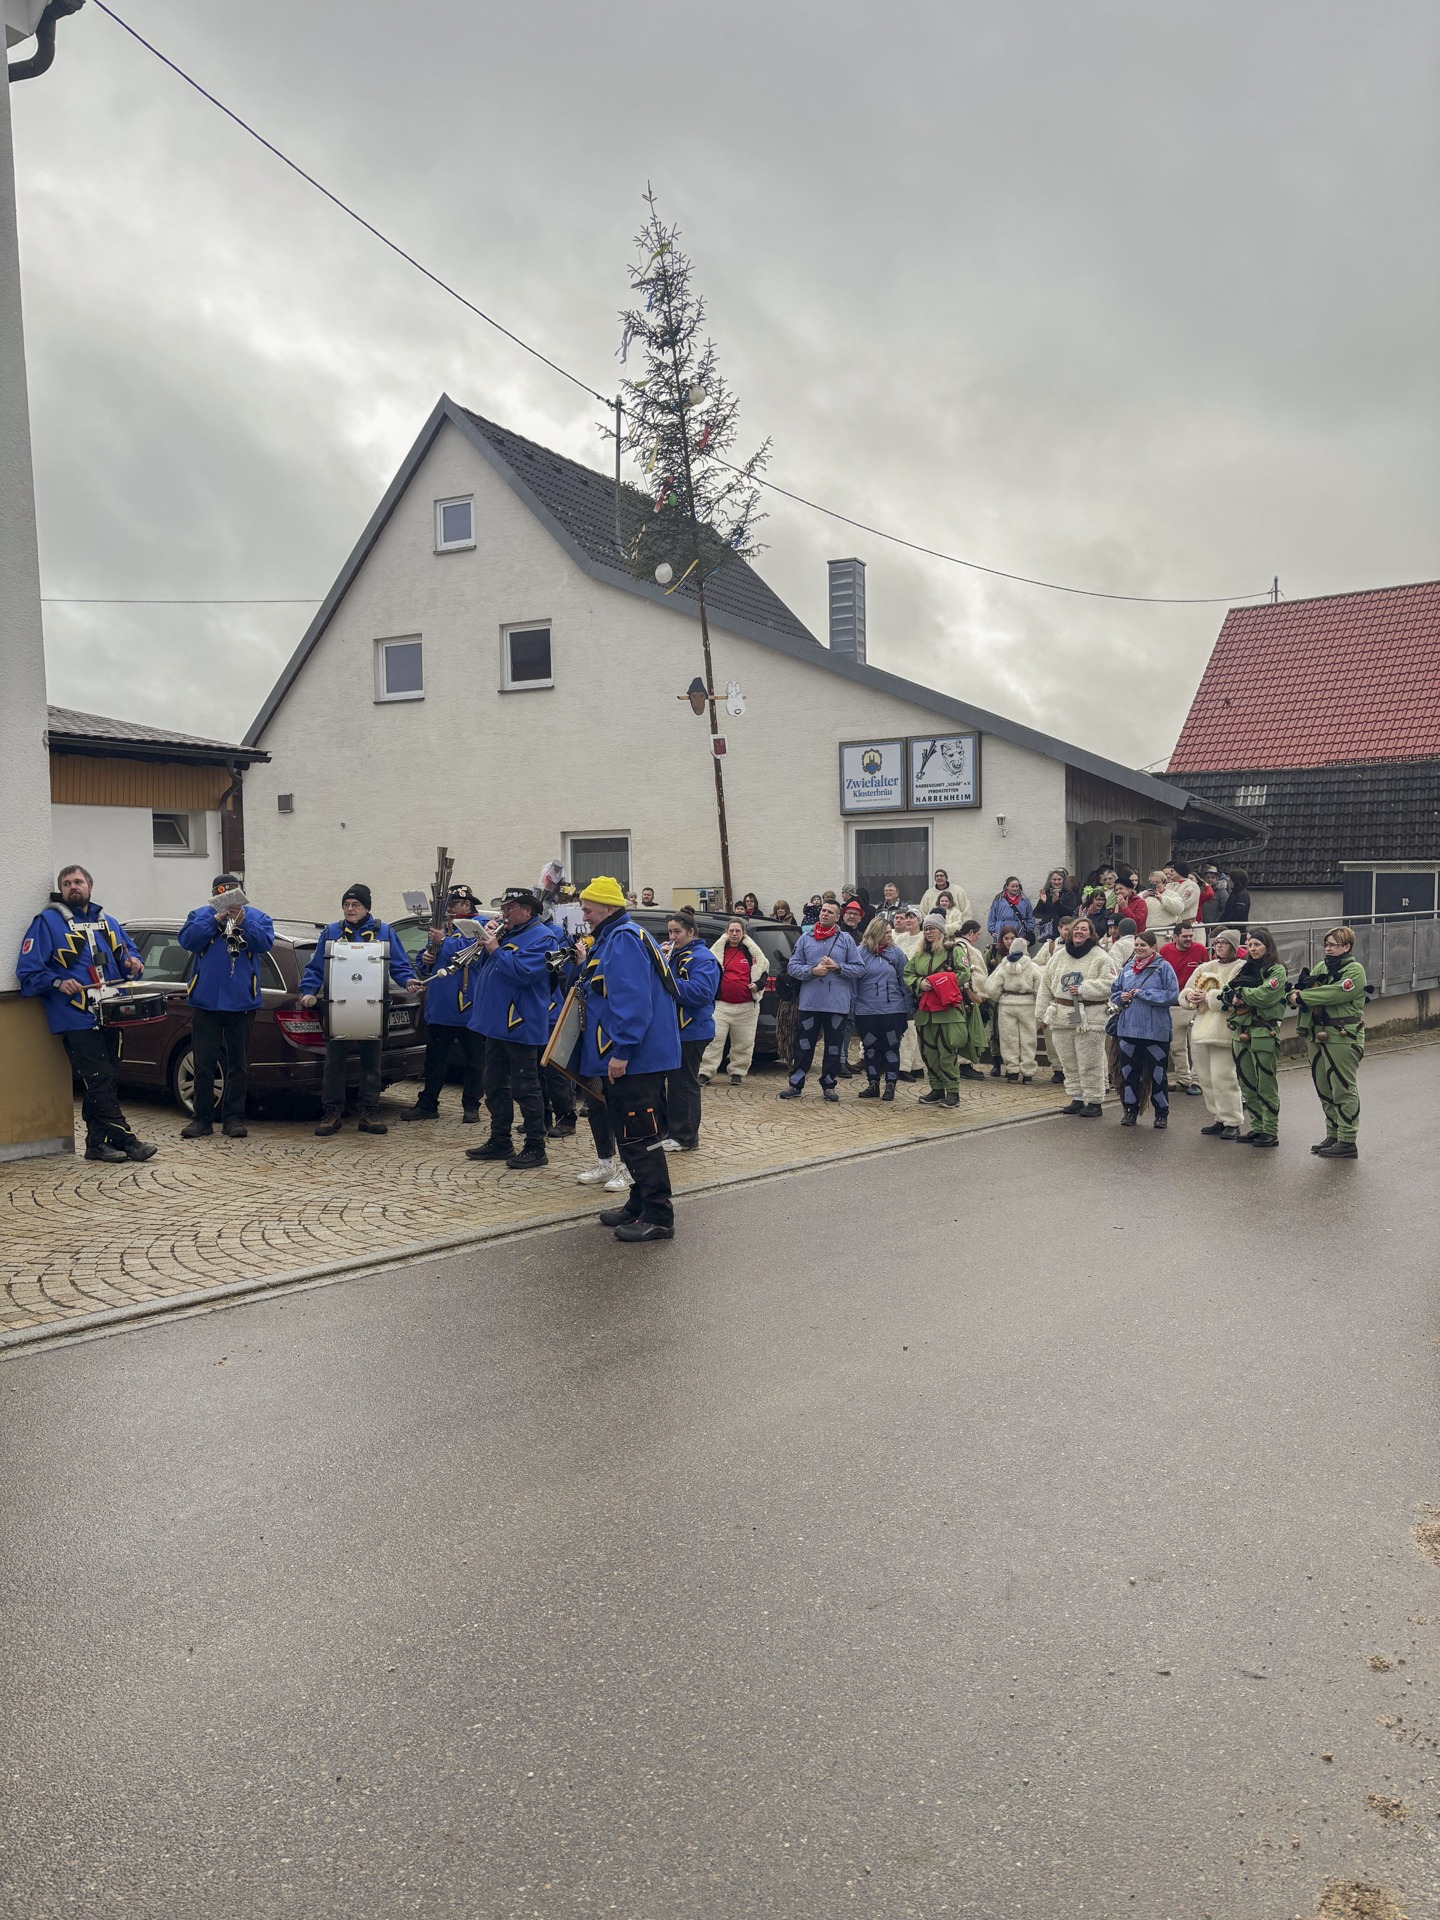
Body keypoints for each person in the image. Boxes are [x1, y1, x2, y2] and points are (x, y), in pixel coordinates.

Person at [16, 863, 157, 1163]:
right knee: (100, 1076)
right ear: (61, 890)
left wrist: (134, 964)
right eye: (66, 883)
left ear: (90, 886)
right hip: (74, 1016)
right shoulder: (46, 923)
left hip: (112, 1013)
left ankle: (96, 1145)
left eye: (78, 881)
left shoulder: (111, 923)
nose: (72, 886)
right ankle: (127, 1140)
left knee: (104, 1080)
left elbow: (131, 959)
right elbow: (27, 972)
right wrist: (57, 981)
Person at [574, 876, 682, 1242]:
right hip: (634, 1057)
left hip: (635, 1058)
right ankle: (638, 1202)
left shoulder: (622, 940)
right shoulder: (616, 937)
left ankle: (659, 1215)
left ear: (607, 908)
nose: (584, 913)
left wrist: (622, 1050)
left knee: (641, 1137)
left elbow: (633, 1003)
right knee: (630, 1135)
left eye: (588, 907)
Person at [300, 884, 419, 1136]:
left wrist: (408, 980)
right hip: (337, 1006)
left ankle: (369, 1112)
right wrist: (308, 991)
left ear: (367, 908)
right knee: (334, 1064)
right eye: (346, 905)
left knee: (370, 1064)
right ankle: (332, 1113)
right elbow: (316, 967)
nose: (350, 909)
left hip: (372, 1007)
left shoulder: (383, 931)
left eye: (355, 905)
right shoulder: (332, 931)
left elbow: (399, 964)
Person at [461, 885, 564, 1170]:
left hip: (520, 1023)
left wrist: (495, 949)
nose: (504, 913)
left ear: (528, 911)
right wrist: (485, 945)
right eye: (503, 909)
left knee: (525, 1086)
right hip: (496, 1024)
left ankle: (535, 1146)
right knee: (493, 1084)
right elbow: (486, 971)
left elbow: (525, 974)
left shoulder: (543, 937)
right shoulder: (508, 934)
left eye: (510, 908)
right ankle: (500, 1140)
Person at [176, 873, 277, 1140]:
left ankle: (233, 1119)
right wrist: (216, 919)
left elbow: (265, 944)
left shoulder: (258, 917)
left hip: (242, 1001)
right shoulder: (199, 915)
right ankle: (202, 1119)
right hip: (205, 1002)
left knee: (238, 1065)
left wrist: (243, 923)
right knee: (204, 1063)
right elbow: (187, 941)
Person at [401, 884, 487, 1124]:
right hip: (441, 1005)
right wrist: (425, 957)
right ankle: (428, 1103)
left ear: (466, 905)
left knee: (473, 1061)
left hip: (469, 1005)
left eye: (453, 904)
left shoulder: (480, 925)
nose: (448, 909)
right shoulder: (443, 926)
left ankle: (472, 1105)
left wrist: (444, 941)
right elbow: (428, 957)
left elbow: (474, 950)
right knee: (435, 1060)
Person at [1293, 926, 1367, 1158]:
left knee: (1342, 1087)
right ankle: (1333, 1133)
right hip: (1318, 1032)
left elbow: (1335, 993)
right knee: (1324, 1086)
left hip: (1342, 1033)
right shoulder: (1321, 967)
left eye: (1333, 945)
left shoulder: (1354, 970)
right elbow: (1307, 985)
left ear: (1347, 947)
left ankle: (1347, 1139)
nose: (1328, 948)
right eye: (1326, 944)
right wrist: (1297, 991)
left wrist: (1302, 996)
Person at [780, 902, 864, 1101]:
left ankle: (828, 1084)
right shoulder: (805, 939)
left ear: (838, 918)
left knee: (833, 1046)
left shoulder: (845, 940)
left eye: (830, 912)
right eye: (823, 911)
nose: (825, 914)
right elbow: (792, 967)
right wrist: (812, 971)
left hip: (837, 1004)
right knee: (803, 1045)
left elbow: (859, 968)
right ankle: (796, 1084)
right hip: (810, 1003)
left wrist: (838, 967)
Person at [1035, 914, 1115, 1118]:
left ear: (1091, 934)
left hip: (1089, 1017)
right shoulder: (1059, 956)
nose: (1079, 932)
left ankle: (1095, 1100)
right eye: (1076, 929)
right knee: (1068, 1061)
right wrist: (1041, 1014)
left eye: (1084, 929)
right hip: (1062, 1015)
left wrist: (1084, 988)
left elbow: (1111, 984)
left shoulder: (1101, 957)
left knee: (1090, 1061)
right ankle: (1077, 1097)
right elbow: (1046, 986)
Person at [1222, 926, 1287, 1147]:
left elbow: (1265, 995)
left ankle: (1270, 1130)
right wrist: (1234, 995)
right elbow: (1225, 993)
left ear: (1267, 946)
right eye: (1249, 945)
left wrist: (1241, 995)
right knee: (1247, 1082)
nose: (1252, 948)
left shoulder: (1276, 970)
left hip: (1263, 1031)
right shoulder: (1246, 969)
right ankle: (1257, 1127)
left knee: (1265, 1083)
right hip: (1242, 1031)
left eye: (1257, 944)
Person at [662, 908, 720, 1152]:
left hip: (693, 1029)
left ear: (691, 932)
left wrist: (667, 978)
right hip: (675, 1030)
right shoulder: (676, 954)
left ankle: (686, 1137)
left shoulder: (703, 958)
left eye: (678, 932)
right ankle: (673, 1131)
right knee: (674, 1084)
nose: (673, 937)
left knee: (685, 1084)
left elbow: (702, 993)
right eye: (670, 932)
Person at [1109, 930, 1180, 1129]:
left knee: (1158, 1075)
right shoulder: (1128, 968)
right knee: (1129, 1073)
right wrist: (1121, 997)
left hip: (1155, 1032)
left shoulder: (1163, 968)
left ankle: (1161, 1113)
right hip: (1128, 1031)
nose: (1139, 949)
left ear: (1153, 948)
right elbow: (1114, 991)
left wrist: (1144, 994)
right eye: (1137, 945)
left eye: (1143, 946)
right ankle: (1130, 1110)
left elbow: (1172, 995)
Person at [903, 915, 976, 1106]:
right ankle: (936, 1089)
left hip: (947, 1011)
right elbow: (908, 974)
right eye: (926, 929)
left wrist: (936, 983)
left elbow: (964, 973)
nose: (928, 932)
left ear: (941, 931)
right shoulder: (920, 954)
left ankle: (953, 1092)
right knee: (929, 1053)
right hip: (925, 1012)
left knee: (947, 1052)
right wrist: (920, 983)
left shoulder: (953, 951)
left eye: (932, 929)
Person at [1182, 927, 1245, 1139]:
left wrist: (1208, 997)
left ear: (1234, 946)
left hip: (1224, 1031)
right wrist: (1191, 995)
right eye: (1217, 942)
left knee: (1223, 1077)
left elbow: (1235, 998)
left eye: (1224, 943)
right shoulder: (1206, 966)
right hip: (1201, 1029)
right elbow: (1185, 992)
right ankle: (1218, 1116)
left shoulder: (1241, 968)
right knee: (1205, 1077)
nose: (1219, 946)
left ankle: (1232, 1120)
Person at [700, 919, 767, 1085]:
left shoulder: (750, 953)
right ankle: (705, 1072)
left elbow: (763, 970)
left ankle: (738, 1072)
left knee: (743, 1042)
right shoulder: (719, 951)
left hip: (746, 1007)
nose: (734, 934)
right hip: (721, 1006)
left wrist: (757, 985)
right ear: (726, 932)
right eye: (731, 931)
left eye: (738, 931)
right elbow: (708, 968)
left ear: (743, 933)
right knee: (713, 1041)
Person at [853, 917, 910, 1101]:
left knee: (891, 1048)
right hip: (865, 1011)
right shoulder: (859, 953)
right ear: (876, 932)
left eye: (890, 932)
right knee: (870, 1048)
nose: (889, 935)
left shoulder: (896, 953)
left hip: (893, 1010)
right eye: (885, 932)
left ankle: (891, 1085)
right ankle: (873, 1083)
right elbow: (852, 982)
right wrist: (852, 1009)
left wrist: (908, 1009)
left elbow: (905, 981)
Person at [984, 934, 1043, 1082]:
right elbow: (1041, 988)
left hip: (1007, 1004)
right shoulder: (1033, 967)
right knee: (1028, 1038)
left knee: (1008, 1038)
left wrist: (998, 998)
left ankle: (1012, 1070)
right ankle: (1028, 1071)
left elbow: (991, 987)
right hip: (1028, 1005)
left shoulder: (1003, 965)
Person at [1158, 923, 1206, 1097]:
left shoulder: (1200, 949)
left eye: (1191, 936)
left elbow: (1206, 975)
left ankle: (1197, 1080)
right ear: (1175, 937)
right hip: (1174, 1005)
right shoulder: (1165, 951)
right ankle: (1184, 1079)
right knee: (1177, 1046)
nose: (1189, 940)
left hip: (1195, 1006)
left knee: (1197, 1045)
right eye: (1185, 936)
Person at [889, 907, 926, 1080]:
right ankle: (904, 1066)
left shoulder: (924, 939)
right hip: (902, 986)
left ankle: (916, 1065)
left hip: (919, 986)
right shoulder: (899, 939)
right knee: (909, 1027)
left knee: (915, 1028)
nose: (909, 920)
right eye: (907, 917)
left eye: (912, 917)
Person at [1033, 870, 1079, 945]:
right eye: (1054, 879)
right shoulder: (1046, 893)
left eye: (1059, 879)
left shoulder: (1069, 894)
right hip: (1047, 933)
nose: (1056, 882)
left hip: (1062, 931)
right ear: (1050, 880)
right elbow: (1036, 914)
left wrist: (1057, 903)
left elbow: (1070, 912)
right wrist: (1043, 902)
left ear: (1063, 880)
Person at [987, 877, 1036, 944]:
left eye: (1017, 886)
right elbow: (992, 916)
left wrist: (1028, 930)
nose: (1015, 888)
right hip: (1001, 930)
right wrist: (992, 931)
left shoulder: (1024, 900)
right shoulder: (999, 899)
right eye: (1012, 886)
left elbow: (1030, 916)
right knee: (1002, 952)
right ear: (1007, 886)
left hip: (1019, 931)